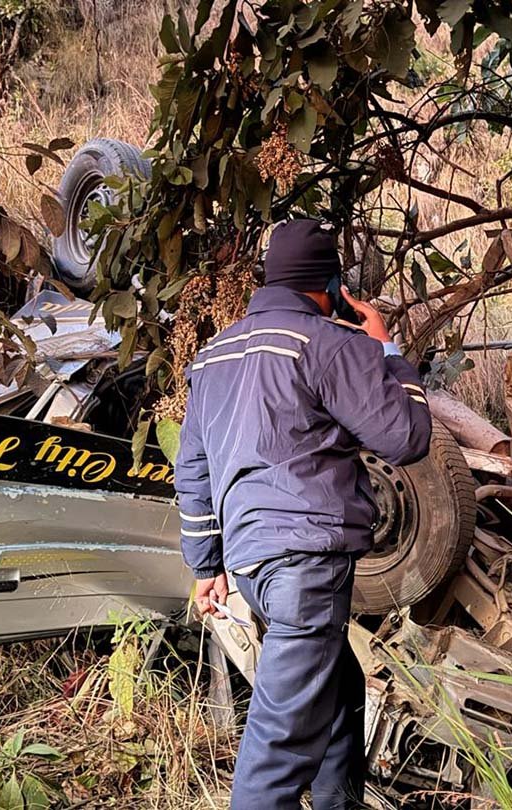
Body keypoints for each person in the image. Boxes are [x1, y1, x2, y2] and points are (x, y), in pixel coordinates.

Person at [175, 218, 432, 810]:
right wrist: (386, 350)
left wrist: (206, 563)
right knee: (278, 751)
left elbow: (193, 469)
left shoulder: (213, 356)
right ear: (332, 286)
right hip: (306, 566)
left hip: (255, 569)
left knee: (338, 690)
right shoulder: (328, 344)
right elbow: (407, 436)